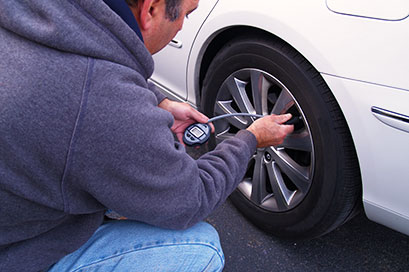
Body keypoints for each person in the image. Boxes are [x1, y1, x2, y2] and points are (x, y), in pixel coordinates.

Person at [0, 0, 294, 271]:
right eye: (187, 14)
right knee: (201, 248)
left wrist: (155, 100)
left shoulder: (30, 14)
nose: (182, 26)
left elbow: (83, 69)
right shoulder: (105, 106)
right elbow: (192, 197)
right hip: (16, 251)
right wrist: (250, 139)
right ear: (151, 9)